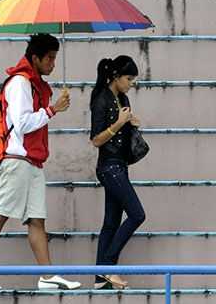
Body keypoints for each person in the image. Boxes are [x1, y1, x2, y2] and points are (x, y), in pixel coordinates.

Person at [0, 34, 81, 291]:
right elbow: (22, 124)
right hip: (17, 160)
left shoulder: (33, 83)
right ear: (35, 58)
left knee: (37, 220)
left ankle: (47, 276)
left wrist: (51, 108)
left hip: (33, 162)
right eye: (49, 58)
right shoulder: (20, 83)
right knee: (2, 213)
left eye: (55, 58)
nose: (52, 63)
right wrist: (53, 110)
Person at [89, 55, 146, 289]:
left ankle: (99, 280)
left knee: (111, 223)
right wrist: (119, 124)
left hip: (120, 166)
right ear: (115, 76)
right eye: (129, 78)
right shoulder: (101, 100)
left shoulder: (123, 98)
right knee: (137, 215)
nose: (131, 83)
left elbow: (124, 133)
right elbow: (95, 140)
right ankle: (108, 267)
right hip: (108, 167)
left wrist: (132, 124)